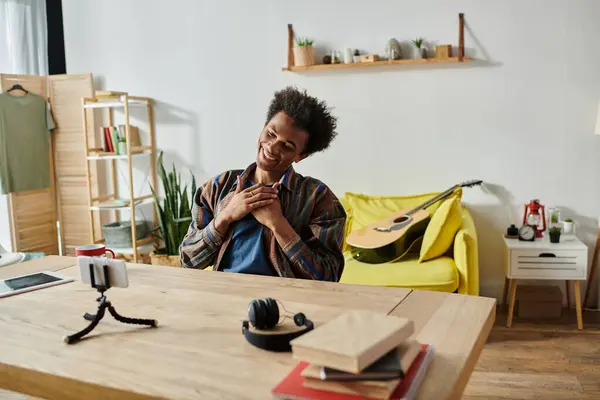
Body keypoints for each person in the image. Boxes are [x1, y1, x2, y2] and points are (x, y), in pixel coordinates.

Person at [179, 86, 346, 281]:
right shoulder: (218, 187)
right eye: (271, 134)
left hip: (288, 302)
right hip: (225, 296)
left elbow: (329, 277)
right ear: (263, 128)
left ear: (301, 156)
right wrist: (225, 216)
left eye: (287, 145)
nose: (272, 147)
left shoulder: (318, 198)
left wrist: (278, 224)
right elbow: (188, 261)